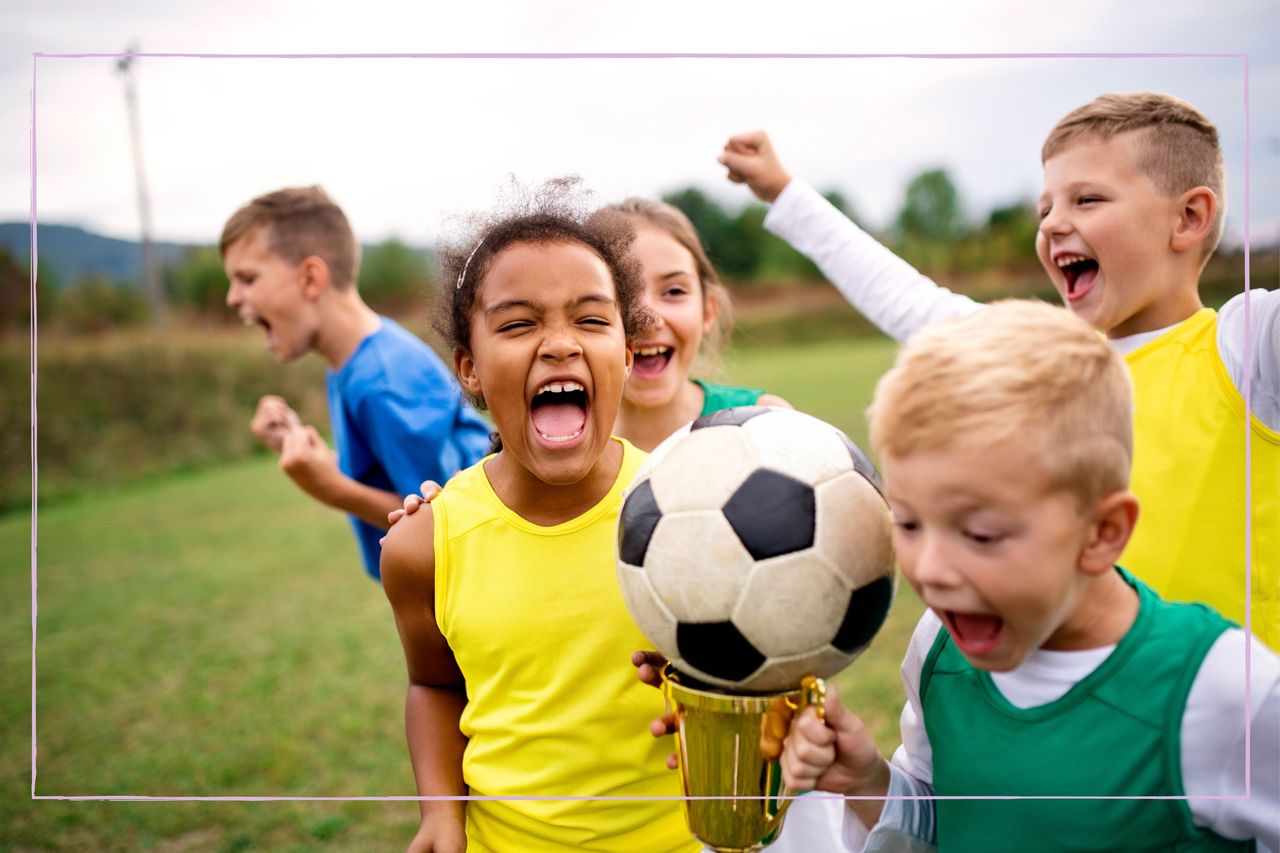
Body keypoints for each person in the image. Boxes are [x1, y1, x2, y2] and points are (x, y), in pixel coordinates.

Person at [719, 93, 1280, 649]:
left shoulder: (1245, 346)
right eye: (1045, 209)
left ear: (1189, 218)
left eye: (1086, 200)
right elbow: (905, 297)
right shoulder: (1036, 355)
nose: (1054, 224)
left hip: (1230, 725)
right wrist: (784, 192)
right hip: (1085, 708)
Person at [779, 300, 1278, 852]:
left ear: (1103, 532)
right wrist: (870, 782)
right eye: (909, 523)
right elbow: (947, 816)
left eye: (982, 534)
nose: (932, 570)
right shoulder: (937, 651)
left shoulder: (1223, 689)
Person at [378, 180, 700, 853]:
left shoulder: (687, 506)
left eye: (590, 319)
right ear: (468, 368)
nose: (560, 344)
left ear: (625, 347)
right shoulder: (423, 543)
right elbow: (433, 684)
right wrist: (440, 812)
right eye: (519, 323)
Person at [220, 186, 491, 580]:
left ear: (311, 278)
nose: (231, 298)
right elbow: (392, 473)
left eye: (246, 278)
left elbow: (444, 517)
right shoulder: (353, 363)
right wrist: (309, 454)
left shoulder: (383, 379)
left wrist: (331, 488)